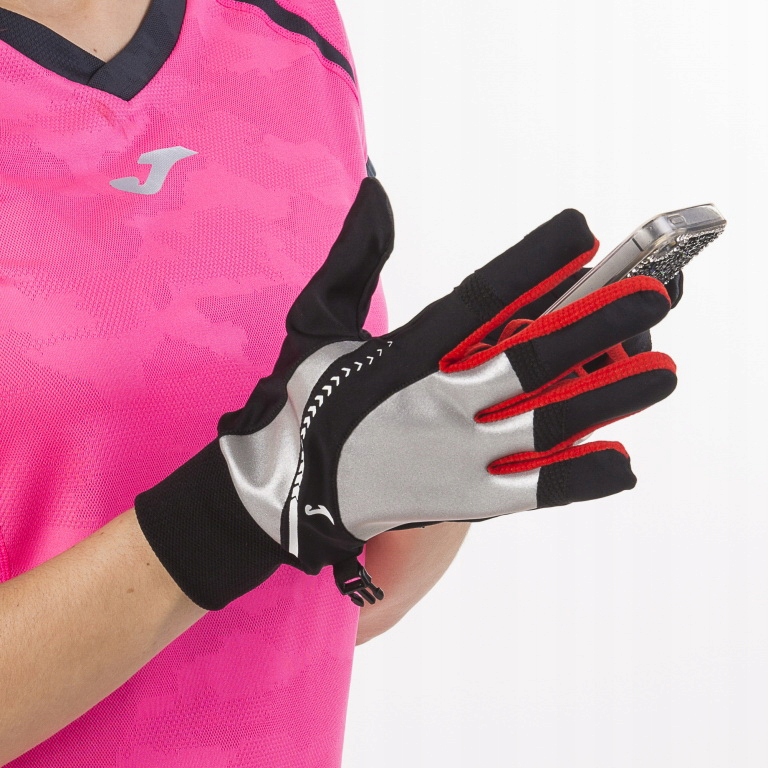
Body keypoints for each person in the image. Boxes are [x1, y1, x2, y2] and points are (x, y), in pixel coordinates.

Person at [0, 0, 679, 764]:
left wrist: (453, 419)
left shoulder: (293, 26)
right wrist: (239, 507)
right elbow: (265, 506)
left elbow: (336, 605)